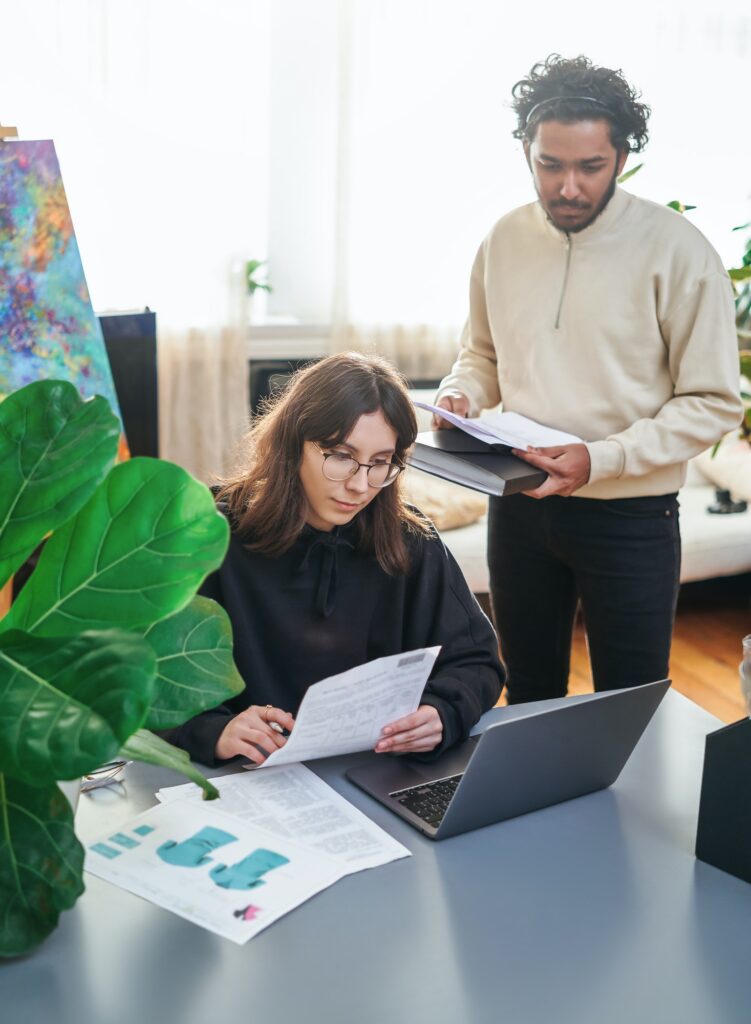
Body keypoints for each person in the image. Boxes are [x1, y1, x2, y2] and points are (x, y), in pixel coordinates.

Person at [434, 54, 742, 704]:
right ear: (526, 151)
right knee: (528, 698)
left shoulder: (679, 251)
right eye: (550, 165)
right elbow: (481, 354)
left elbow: (712, 401)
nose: (567, 186)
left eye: (589, 167)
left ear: (621, 157)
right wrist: (460, 393)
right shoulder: (501, 240)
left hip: (629, 515)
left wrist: (600, 459)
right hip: (516, 502)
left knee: (627, 710)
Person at [167, 352, 504, 766]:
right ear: (292, 445)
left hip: (376, 773)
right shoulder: (209, 533)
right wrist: (214, 731)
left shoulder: (412, 542)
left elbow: (478, 662)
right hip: (244, 777)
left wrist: (441, 713)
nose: (360, 485)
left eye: (381, 463)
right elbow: (147, 670)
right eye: (341, 456)